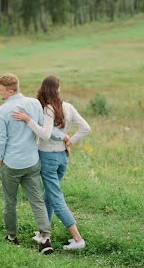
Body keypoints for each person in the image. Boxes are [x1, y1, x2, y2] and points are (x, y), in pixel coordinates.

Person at [13, 75, 91, 250]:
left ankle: (78, 239)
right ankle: (43, 234)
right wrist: (70, 141)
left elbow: (45, 134)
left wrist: (28, 120)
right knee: (49, 195)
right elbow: (86, 128)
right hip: (63, 157)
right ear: (58, 89)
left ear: (44, 89)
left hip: (48, 158)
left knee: (55, 197)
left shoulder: (48, 109)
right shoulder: (68, 107)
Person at [0, 73, 67, 254]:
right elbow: (46, 129)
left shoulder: (2, 110)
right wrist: (63, 136)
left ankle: (12, 237)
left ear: (10, 91)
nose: (0, 94)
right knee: (37, 201)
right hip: (32, 162)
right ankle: (45, 239)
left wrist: (0, 157)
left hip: (11, 163)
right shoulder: (34, 104)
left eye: (2, 91)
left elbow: (1, 139)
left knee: (10, 202)